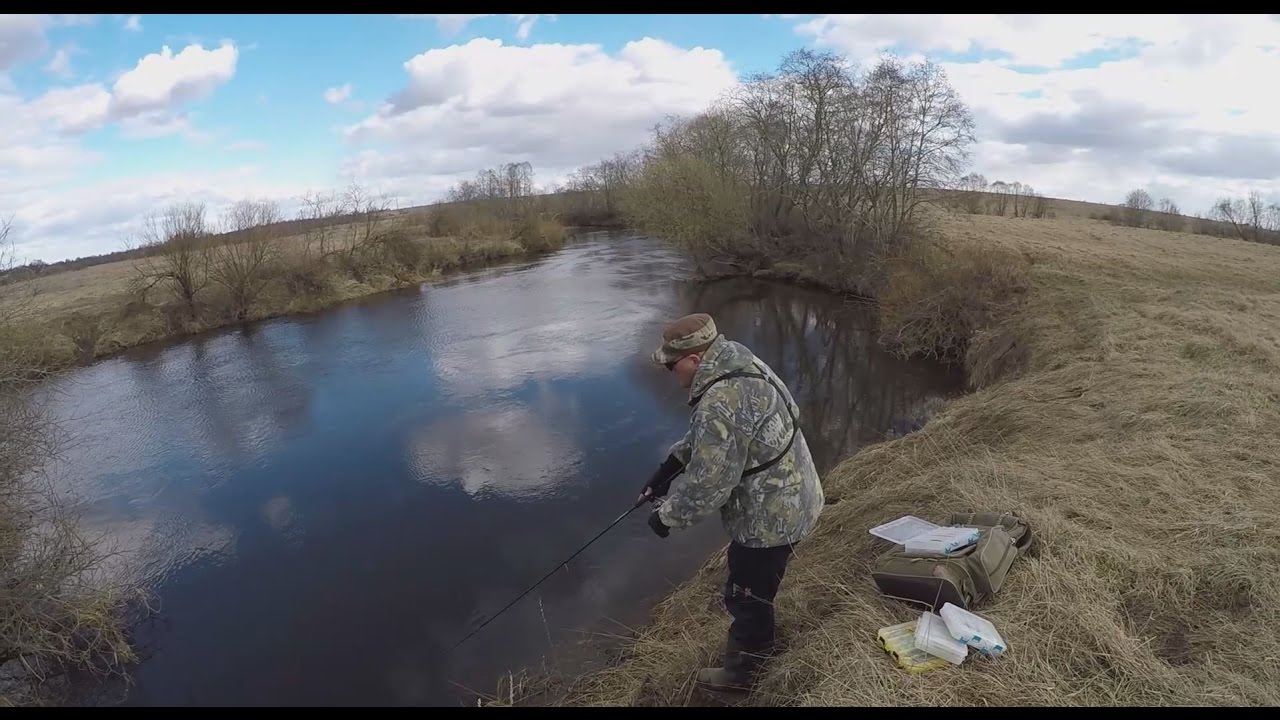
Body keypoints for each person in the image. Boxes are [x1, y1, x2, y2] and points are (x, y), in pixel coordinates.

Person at [638, 312, 824, 690]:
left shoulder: (720, 399)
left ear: (694, 360)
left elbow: (709, 487)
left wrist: (666, 519)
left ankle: (744, 676)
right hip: (796, 494)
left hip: (771, 518)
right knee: (757, 584)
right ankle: (760, 650)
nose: (672, 376)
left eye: (673, 367)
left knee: (746, 593)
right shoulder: (739, 361)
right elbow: (712, 439)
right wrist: (667, 471)